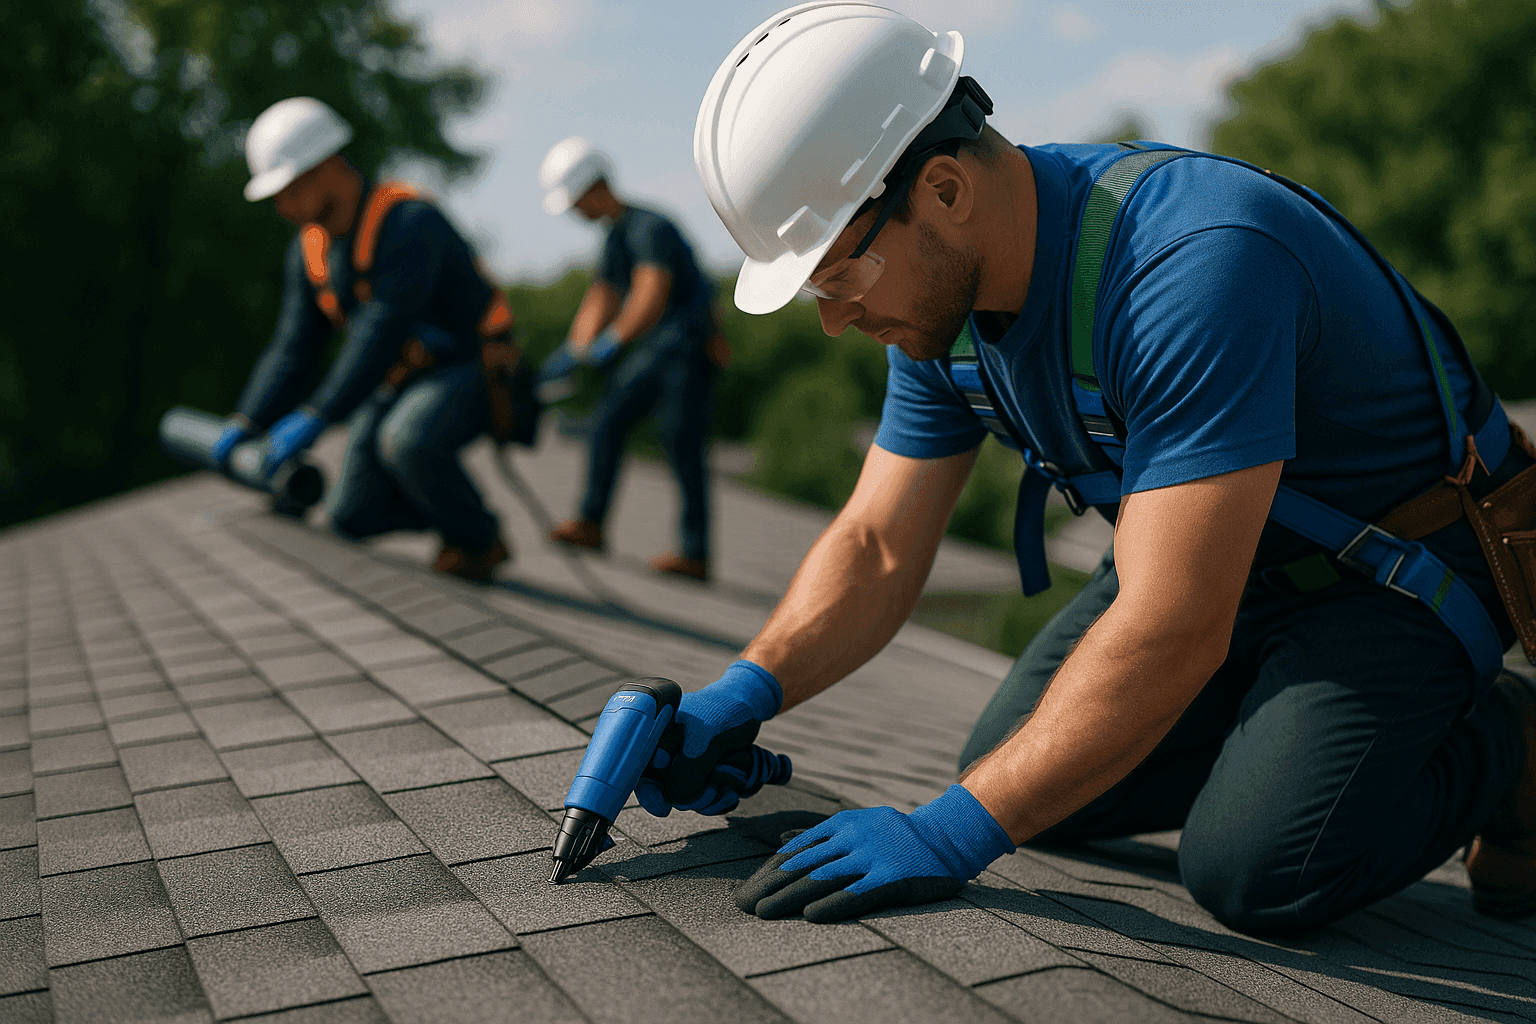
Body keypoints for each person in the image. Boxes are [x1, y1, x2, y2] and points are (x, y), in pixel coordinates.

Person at [630, 4, 1536, 936]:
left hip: (1390, 579)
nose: (833, 319)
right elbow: (877, 543)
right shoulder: (941, 308)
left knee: (1255, 871)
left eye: (838, 277)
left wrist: (947, 836)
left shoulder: (1194, 266)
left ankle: (1509, 736)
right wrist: (741, 694)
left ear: (944, 189)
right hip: (1220, 562)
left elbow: (1172, 623)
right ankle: (1288, 740)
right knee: (1025, 769)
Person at [218, 96, 528, 583]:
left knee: (405, 440)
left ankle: (478, 538)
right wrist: (248, 418)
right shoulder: (310, 251)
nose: (282, 206)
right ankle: (442, 509)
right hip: (402, 380)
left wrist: (318, 415)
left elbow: (381, 331)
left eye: (290, 190)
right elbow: (294, 346)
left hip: (470, 370)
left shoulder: (409, 223)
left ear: (327, 167)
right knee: (350, 516)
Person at [538, 137, 722, 582]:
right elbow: (602, 294)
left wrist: (612, 341)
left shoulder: (648, 227)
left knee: (681, 444)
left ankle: (694, 553)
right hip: (657, 350)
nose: (576, 212)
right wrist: (575, 347)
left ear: (594, 188)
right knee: (607, 423)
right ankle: (590, 523)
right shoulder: (615, 236)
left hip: (687, 350)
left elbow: (650, 292)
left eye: (576, 202)